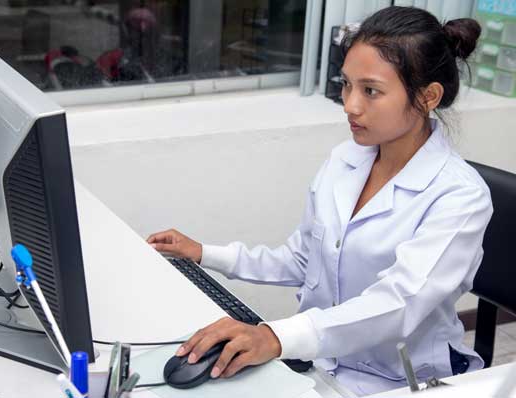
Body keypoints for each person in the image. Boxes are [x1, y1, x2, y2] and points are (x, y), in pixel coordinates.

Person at [146, 6, 492, 396]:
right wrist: (205, 253)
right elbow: (301, 260)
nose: (350, 105)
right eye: (346, 85)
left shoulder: (460, 196)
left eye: (371, 91)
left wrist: (275, 336)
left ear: (428, 96)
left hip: (399, 380)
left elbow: (398, 304)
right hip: (322, 365)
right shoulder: (345, 160)